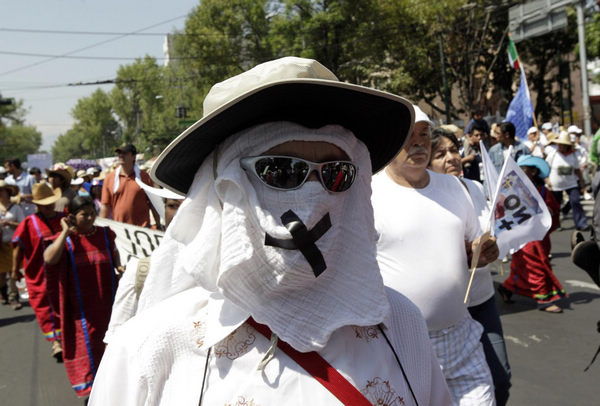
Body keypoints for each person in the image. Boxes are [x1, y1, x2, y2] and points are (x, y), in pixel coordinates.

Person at [89, 56, 452, 405]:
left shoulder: (400, 323)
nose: (315, 198)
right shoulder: (151, 348)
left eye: (336, 173)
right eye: (281, 171)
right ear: (224, 187)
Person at [371, 106, 498, 405]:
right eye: (407, 136)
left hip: (462, 338)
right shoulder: (368, 193)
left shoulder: (454, 186)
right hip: (403, 347)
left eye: (424, 135)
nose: (418, 143)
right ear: (389, 139)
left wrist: (482, 250)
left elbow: (471, 249)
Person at [428, 127, 511, 405]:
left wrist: (492, 245)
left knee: (500, 378)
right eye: (440, 154)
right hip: (449, 309)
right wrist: (467, 255)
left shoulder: (475, 188)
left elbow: (490, 230)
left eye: (454, 151)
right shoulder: (424, 200)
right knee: (447, 387)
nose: (451, 158)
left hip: (483, 299)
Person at [43, 196, 121, 399]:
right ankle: (93, 396)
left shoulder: (105, 234)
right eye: (83, 214)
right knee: (89, 353)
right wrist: (64, 232)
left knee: (112, 349)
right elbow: (50, 258)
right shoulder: (66, 240)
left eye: (92, 213)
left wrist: (121, 268)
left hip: (108, 306)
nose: (89, 218)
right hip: (81, 313)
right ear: (71, 216)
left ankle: (112, 392)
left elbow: (115, 259)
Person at [103, 196, 183, 344]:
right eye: (172, 206)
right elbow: (115, 343)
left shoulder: (222, 273)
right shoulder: (139, 272)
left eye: (188, 206)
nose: (180, 213)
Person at [498, 155, 566, 313]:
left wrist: (547, 212)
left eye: (524, 170)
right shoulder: (512, 191)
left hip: (540, 237)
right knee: (535, 267)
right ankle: (544, 300)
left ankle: (507, 288)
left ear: (533, 172)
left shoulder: (543, 191)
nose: (520, 173)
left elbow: (553, 210)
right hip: (523, 238)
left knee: (526, 269)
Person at [11, 182, 65, 360]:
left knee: (65, 304)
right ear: (37, 205)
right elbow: (17, 248)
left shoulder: (63, 218)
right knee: (44, 308)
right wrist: (14, 271)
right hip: (39, 275)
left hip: (64, 273)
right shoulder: (28, 223)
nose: (48, 206)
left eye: (50, 202)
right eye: (44, 204)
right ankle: (55, 342)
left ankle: (65, 337)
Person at [99, 144, 160, 228]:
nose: (121, 155)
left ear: (134, 156)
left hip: (143, 229)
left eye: (125, 153)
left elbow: (153, 204)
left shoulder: (145, 177)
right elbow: (105, 206)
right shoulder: (109, 178)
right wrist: (101, 227)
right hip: (120, 230)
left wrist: (158, 224)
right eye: (119, 153)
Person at [545, 131, 589, 231]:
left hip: (571, 183)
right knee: (556, 205)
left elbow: (577, 170)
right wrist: (547, 179)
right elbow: (545, 168)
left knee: (575, 201)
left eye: (563, 144)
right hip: (556, 185)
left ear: (567, 145)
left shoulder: (573, 155)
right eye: (559, 144)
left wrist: (582, 183)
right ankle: (556, 224)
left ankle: (581, 223)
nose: (561, 146)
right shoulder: (553, 154)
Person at [0, 181, 25, 310]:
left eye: (2, 190)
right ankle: (3, 293)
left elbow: (22, 224)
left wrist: (10, 223)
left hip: (13, 245)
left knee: (13, 271)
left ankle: (13, 297)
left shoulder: (16, 208)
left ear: (7, 192)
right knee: (1, 274)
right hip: (0, 246)